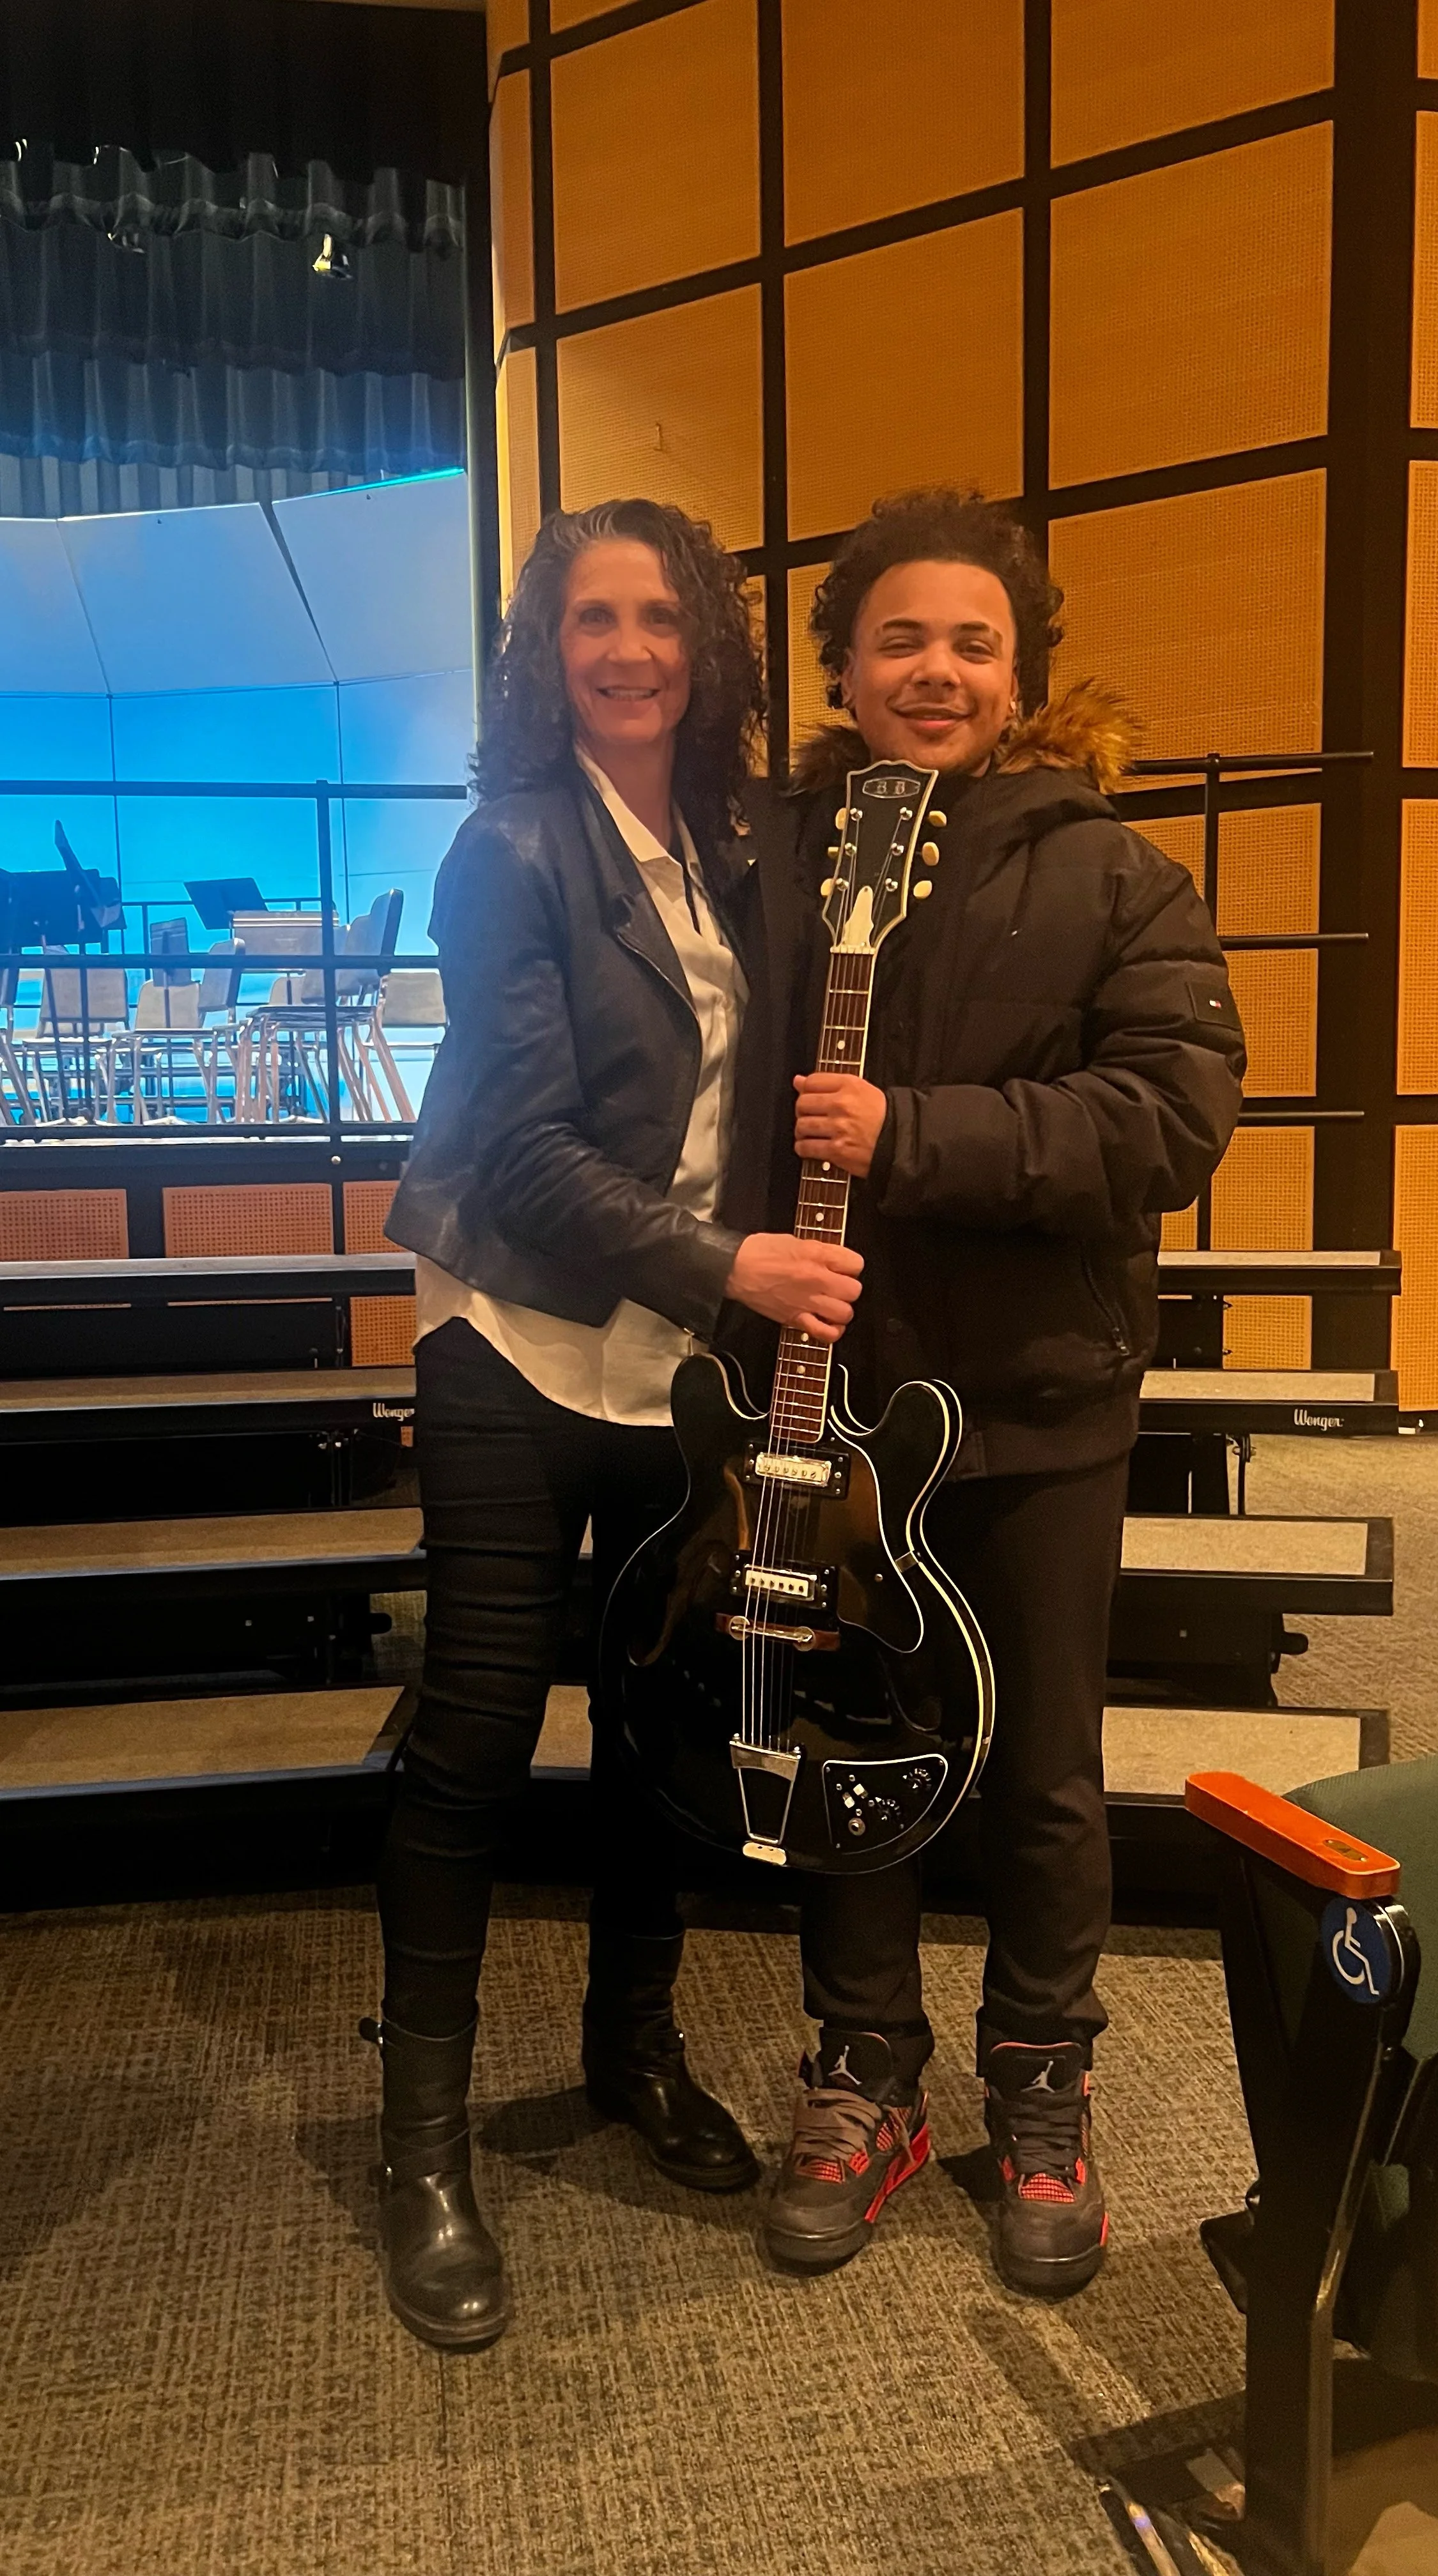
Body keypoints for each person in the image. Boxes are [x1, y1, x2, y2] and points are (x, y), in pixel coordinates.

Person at [375, 497, 863, 2350]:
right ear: (544, 648)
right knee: (483, 1734)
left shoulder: (737, 841)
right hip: (513, 1329)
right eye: (594, 617)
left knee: (660, 1726)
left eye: (662, 616)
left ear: (708, 646)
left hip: (672, 1364)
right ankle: (425, 2147)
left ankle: (629, 2055)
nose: (630, 647)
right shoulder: (505, 848)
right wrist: (728, 1264)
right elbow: (518, 1144)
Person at [754, 487, 1244, 2296]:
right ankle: (863, 2073)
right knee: (854, 1752)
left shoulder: (1113, 867)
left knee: (1040, 1768)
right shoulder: (766, 848)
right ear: (844, 666)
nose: (935, 671)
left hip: (1033, 1394)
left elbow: (1176, 1114)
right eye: (898, 638)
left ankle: (1039, 2088)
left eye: (971, 641)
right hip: (823, 1398)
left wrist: (919, 1137)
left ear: (1021, 670)